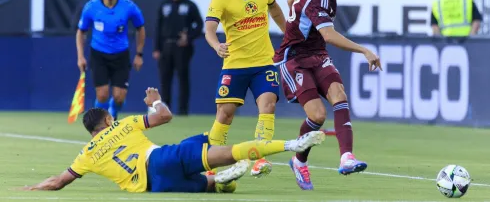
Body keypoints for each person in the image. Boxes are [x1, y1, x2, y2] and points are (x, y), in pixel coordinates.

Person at [21, 88, 325, 193]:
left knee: (215, 187)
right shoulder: (122, 125)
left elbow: (59, 181)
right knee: (222, 149)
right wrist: (155, 101)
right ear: (108, 121)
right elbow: (165, 116)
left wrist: (33, 187)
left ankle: (220, 179)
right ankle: (290, 145)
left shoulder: (84, 155)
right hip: (162, 158)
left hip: (156, 186)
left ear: (91, 133)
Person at [273, 0, 381, 190]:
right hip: (294, 59)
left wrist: (292, 25)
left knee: (339, 96)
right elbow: (329, 35)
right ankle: (299, 160)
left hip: (317, 54)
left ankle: (347, 158)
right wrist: (364, 50)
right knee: (318, 116)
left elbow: (291, 1)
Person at [205, 0, 286, 178]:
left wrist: (289, 34)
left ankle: (260, 158)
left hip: (264, 62)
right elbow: (209, 29)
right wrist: (216, 45)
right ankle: (208, 164)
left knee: (268, 105)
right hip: (235, 64)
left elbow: (276, 11)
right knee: (225, 114)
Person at [76, 0, 146, 120]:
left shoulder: (129, 7)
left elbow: (141, 28)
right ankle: (101, 123)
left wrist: (139, 54)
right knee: (102, 95)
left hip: (121, 54)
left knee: (119, 97)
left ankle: (113, 113)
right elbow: (81, 32)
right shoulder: (91, 7)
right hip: (99, 54)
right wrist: (80, 56)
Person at [153, 0, 203, 116]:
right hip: (166, 45)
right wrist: (156, 48)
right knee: (165, 78)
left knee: (183, 77)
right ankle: (165, 109)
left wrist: (189, 37)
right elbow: (158, 27)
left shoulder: (190, 6)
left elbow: (199, 25)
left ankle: (182, 110)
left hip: (182, 47)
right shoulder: (164, 5)